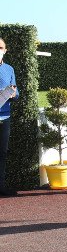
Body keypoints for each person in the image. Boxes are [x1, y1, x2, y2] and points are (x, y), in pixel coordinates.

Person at [0, 37, 19, 197]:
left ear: (5, 51)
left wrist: (12, 93)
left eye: (0, 48)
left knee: (2, 152)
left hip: (4, 116)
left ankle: (1, 186)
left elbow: (16, 92)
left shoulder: (9, 69)